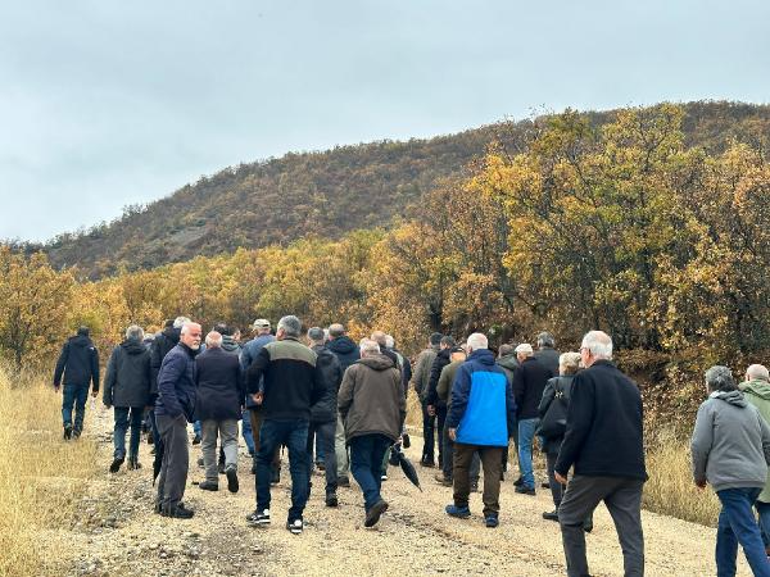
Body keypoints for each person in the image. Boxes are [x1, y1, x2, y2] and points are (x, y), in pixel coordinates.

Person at [555, 331, 647, 577]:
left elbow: (577, 426)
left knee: (569, 516)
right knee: (631, 535)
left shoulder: (586, 379)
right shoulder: (630, 384)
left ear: (587, 353)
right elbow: (637, 426)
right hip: (631, 468)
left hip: (596, 467)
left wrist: (562, 465)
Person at [245, 315, 324, 535]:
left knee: (264, 460)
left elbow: (252, 372)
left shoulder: (270, 349)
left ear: (280, 331)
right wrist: (308, 403)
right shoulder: (311, 355)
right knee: (299, 465)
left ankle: (263, 510)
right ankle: (296, 517)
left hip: (273, 414)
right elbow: (322, 387)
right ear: (298, 333)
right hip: (300, 417)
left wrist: (255, 393)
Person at [693, 365, 770, 577]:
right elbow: (768, 440)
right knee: (727, 526)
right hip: (756, 480)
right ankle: (725, 573)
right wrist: (762, 466)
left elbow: (699, 445)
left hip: (730, 482)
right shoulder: (749, 408)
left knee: (748, 533)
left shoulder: (710, 407)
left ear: (709, 386)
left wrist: (699, 476)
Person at [445, 332, 516, 528]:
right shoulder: (501, 373)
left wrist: (452, 423)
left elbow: (459, 399)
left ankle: (461, 505)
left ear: (469, 349)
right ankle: (491, 513)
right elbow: (510, 404)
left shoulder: (466, 369)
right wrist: (509, 430)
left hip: (469, 428)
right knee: (492, 472)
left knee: (461, 466)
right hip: (495, 430)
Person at [338, 339, 405, 527]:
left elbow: (343, 399)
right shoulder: (394, 373)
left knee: (359, 466)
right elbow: (401, 403)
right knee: (375, 467)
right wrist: (398, 427)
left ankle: (374, 499)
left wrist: (345, 419)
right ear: (379, 352)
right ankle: (371, 509)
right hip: (386, 426)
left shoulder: (354, 370)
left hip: (361, 426)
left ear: (362, 354)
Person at [155, 321, 202, 519]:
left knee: (170, 459)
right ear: (182, 336)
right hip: (170, 414)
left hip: (169, 414)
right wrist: (178, 414)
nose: (197, 338)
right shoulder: (178, 356)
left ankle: (164, 503)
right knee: (179, 461)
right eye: (193, 334)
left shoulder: (186, 355)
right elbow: (165, 384)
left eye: (200, 334)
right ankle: (172, 505)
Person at [195, 331, 243, 494]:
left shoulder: (199, 359)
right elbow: (240, 383)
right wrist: (241, 402)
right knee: (230, 440)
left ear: (206, 344)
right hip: (229, 404)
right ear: (221, 343)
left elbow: (195, 383)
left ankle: (211, 479)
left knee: (208, 443)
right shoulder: (232, 359)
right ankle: (230, 465)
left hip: (207, 405)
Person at [537, 352, 581, 521]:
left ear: (563, 366)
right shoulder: (583, 383)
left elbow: (542, 407)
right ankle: (579, 510)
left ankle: (559, 508)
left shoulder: (554, 383)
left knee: (554, 470)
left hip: (555, 432)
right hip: (577, 431)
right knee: (578, 472)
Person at [103, 325, 152, 473]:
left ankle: (119, 452)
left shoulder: (118, 350)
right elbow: (151, 376)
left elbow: (110, 374)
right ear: (142, 337)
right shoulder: (147, 352)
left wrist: (107, 396)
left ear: (127, 335)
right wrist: (150, 398)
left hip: (121, 394)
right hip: (140, 395)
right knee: (136, 426)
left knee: (120, 425)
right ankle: (133, 459)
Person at [306, 327, 342, 507]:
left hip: (308, 408)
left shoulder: (306, 356)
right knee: (329, 450)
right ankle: (331, 490)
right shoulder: (334, 358)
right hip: (328, 409)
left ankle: (305, 484)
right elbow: (339, 382)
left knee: (305, 449)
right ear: (325, 338)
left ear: (309, 338)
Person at [240, 319, 280, 479]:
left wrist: (249, 394)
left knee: (258, 432)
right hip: (277, 395)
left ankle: (260, 464)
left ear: (256, 330)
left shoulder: (249, 346)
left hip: (256, 396)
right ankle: (275, 468)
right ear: (270, 329)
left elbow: (244, 372)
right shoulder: (279, 344)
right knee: (275, 431)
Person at [512, 343, 553, 494]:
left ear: (521, 355)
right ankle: (555, 478)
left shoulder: (521, 369)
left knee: (524, 447)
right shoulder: (545, 369)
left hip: (526, 414)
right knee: (547, 448)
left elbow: (518, 394)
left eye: (517, 356)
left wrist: (514, 413)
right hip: (543, 415)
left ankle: (529, 483)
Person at [435, 346, 479, 487]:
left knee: (448, 442)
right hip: (473, 410)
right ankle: (472, 480)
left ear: (452, 356)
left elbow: (440, 389)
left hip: (453, 408)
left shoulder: (448, 369)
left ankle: (448, 476)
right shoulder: (475, 368)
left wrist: (445, 399)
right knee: (473, 443)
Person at [327, 323, 361, 487]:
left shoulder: (328, 351)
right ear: (345, 333)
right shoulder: (356, 349)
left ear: (330, 335)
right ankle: (360, 469)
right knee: (355, 433)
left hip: (336, 396)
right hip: (357, 397)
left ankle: (341, 473)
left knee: (339, 436)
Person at [741, 364, 770, 551]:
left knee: (737, 508)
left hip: (746, 460)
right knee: (767, 504)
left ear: (748, 378)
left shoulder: (739, 397)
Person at [53, 326, 100, 440]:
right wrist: (95, 387)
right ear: (88, 335)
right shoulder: (92, 348)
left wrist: (56, 382)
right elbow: (95, 369)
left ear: (77, 334)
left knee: (67, 406)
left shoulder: (69, 345)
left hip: (69, 380)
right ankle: (77, 431)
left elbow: (60, 363)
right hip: (84, 382)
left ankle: (67, 423)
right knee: (80, 407)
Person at [411, 333, 442, 469]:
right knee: (442, 427)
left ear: (430, 342)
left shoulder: (425, 355)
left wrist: (420, 393)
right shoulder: (450, 354)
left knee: (428, 426)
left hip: (427, 395)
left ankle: (428, 456)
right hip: (443, 397)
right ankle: (443, 459)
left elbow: (417, 377)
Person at [426, 335, 457, 469]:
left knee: (443, 432)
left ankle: (444, 462)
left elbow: (433, 381)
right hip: (457, 401)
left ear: (443, 345)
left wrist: (430, 401)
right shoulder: (463, 360)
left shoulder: (439, 360)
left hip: (442, 401)